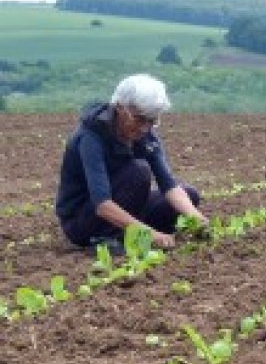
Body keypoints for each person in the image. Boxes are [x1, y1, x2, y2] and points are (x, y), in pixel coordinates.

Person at [55, 74, 206, 253]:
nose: (145, 128)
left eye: (152, 121)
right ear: (120, 108)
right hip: (83, 220)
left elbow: (169, 186)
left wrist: (196, 218)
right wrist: (150, 234)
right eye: (139, 119)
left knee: (188, 195)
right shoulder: (91, 137)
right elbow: (102, 205)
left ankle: (128, 233)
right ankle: (106, 239)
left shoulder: (146, 135)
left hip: (124, 206)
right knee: (138, 172)